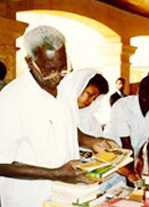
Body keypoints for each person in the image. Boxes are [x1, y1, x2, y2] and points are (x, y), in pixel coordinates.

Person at [0, 26, 117, 207]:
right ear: (30, 62)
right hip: (29, 199)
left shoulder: (66, 87)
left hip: (67, 195)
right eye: (50, 70)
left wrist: (91, 141)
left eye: (63, 67)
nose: (58, 77)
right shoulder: (10, 100)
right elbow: (1, 163)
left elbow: (69, 127)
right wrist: (55, 173)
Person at [104, 75, 149, 178]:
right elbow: (127, 146)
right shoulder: (122, 107)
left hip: (130, 162)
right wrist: (131, 176)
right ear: (143, 95)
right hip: (113, 163)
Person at [67, 68, 109, 137]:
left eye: (94, 99)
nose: (90, 101)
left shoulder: (91, 122)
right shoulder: (57, 112)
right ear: (78, 86)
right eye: (90, 95)